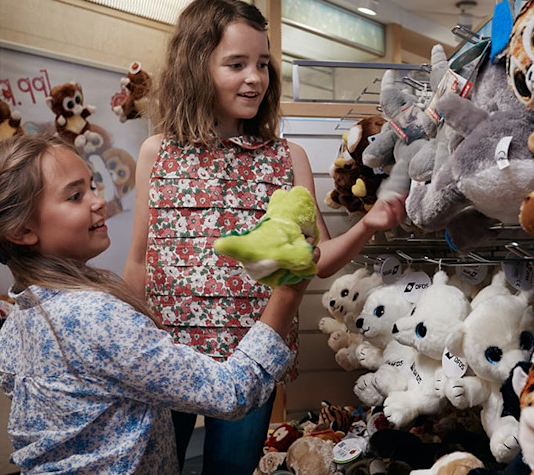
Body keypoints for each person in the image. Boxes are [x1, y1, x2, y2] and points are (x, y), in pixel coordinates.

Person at [122, 0, 407, 472]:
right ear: (196, 67)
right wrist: (133, 348)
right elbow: (138, 261)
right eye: (236, 64)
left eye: (262, 64)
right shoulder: (157, 152)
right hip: (165, 357)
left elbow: (316, 259)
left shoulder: (286, 157)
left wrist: (368, 225)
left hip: (251, 356)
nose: (254, 78)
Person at [0, 135, 315, 473]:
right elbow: (232, 392)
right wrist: (288, 291)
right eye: (75, 196)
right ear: (21, 231)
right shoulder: (96, 317)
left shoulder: (19, 319)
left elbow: (7, 377)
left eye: (92, 186)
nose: (98, 200)